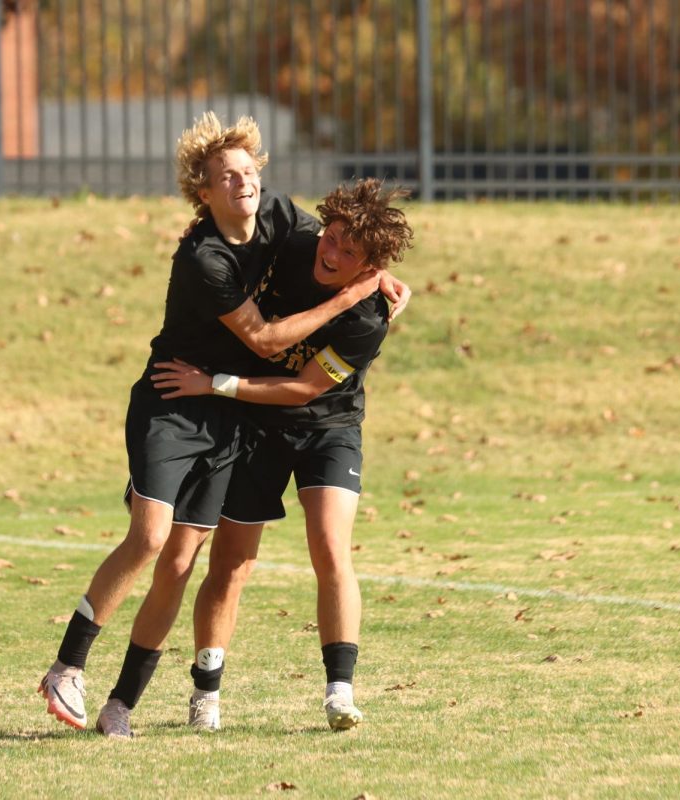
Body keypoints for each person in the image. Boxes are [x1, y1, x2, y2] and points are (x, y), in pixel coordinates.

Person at [37, 112, 407, 735]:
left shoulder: (285, 221)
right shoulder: (206, 257)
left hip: (232, 419)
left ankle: (119, 705)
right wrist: (346, 295)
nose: (241, 182)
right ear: (203, 193)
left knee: (181, 561)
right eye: (224, 176)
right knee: (152, 538)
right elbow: (263, 342)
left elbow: (345, 247)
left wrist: (378, 270)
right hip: (175, 397)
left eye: (246, 171)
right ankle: (67, 667)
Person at [147, 178, 414, 733]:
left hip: (328, 429)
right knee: (232, 564)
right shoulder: (295, 243)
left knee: (330, 547)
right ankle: (206, 695)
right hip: (257, 428)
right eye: (333, 237)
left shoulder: (367, 317)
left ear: (370, 266)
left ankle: (339, 692)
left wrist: (214, 384)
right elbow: (241, 211)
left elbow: (302, 390)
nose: (332, 253)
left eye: (350, 253)